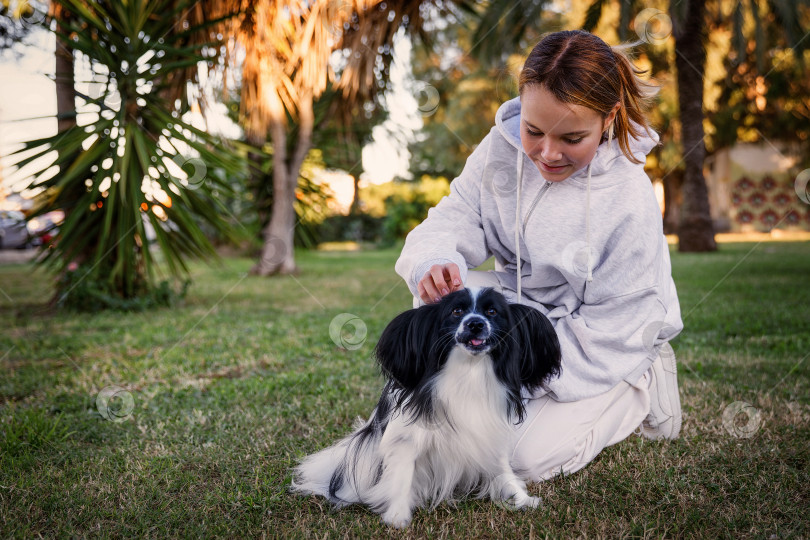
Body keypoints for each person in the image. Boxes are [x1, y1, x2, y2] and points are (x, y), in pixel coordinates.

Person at [394, 30, 684, 481]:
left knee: (522, 459)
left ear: (609, 117)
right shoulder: (499, 148)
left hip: (606, 340)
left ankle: (640, 385)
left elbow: (617, 327)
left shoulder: (629, 198)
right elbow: (455, 216)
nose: (546, 154)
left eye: (572, 137)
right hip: (527, 314)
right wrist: (434, 260)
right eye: (533, 131)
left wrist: (516, 360)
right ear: (521, 108)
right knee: (439, 303)